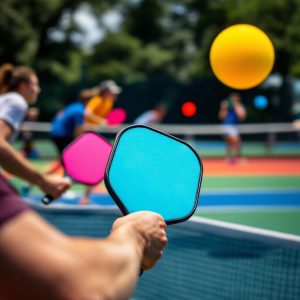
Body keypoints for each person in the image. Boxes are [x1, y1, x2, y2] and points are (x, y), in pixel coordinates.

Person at [0, 64, 168, 299]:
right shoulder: (17, 101)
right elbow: (79, 287)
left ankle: (53, 185)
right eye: (36, 84)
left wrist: (43, 182)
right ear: (23, 85)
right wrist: (135, 234)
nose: (38, 90)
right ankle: (76, 192)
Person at [81, 80, 122, 205]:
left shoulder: (109, 103)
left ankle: (85, 197)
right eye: (111, 91)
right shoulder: (97, 100)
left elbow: (102, 121)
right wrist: (101, 121)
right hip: (84, 135)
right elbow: (86, 113)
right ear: (105, 91)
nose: (114, 94)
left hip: (93, 135)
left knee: (95, 165)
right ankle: (85, 197)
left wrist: (105, 123)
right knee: (87, 166)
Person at [47, 88, 99, 175]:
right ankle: (49, 178)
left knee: (65, 161)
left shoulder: (74, 106)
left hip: (56, 134)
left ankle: (60, 177)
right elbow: (77, 130)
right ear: (89, 101)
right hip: (62, 136)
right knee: (70, 160)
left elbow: (78, 126)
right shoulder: (80, 111)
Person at [218, 92, 247, 163]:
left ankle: (231, 158)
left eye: (235, 100)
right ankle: (234, 158)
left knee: (233, 142)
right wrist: (223, 108)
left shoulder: (240, 106)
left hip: (234, 127)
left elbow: (242, 117)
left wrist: (236, 106)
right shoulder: (226, 107)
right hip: (226, 126)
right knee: (235, 141)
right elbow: (221, 117)